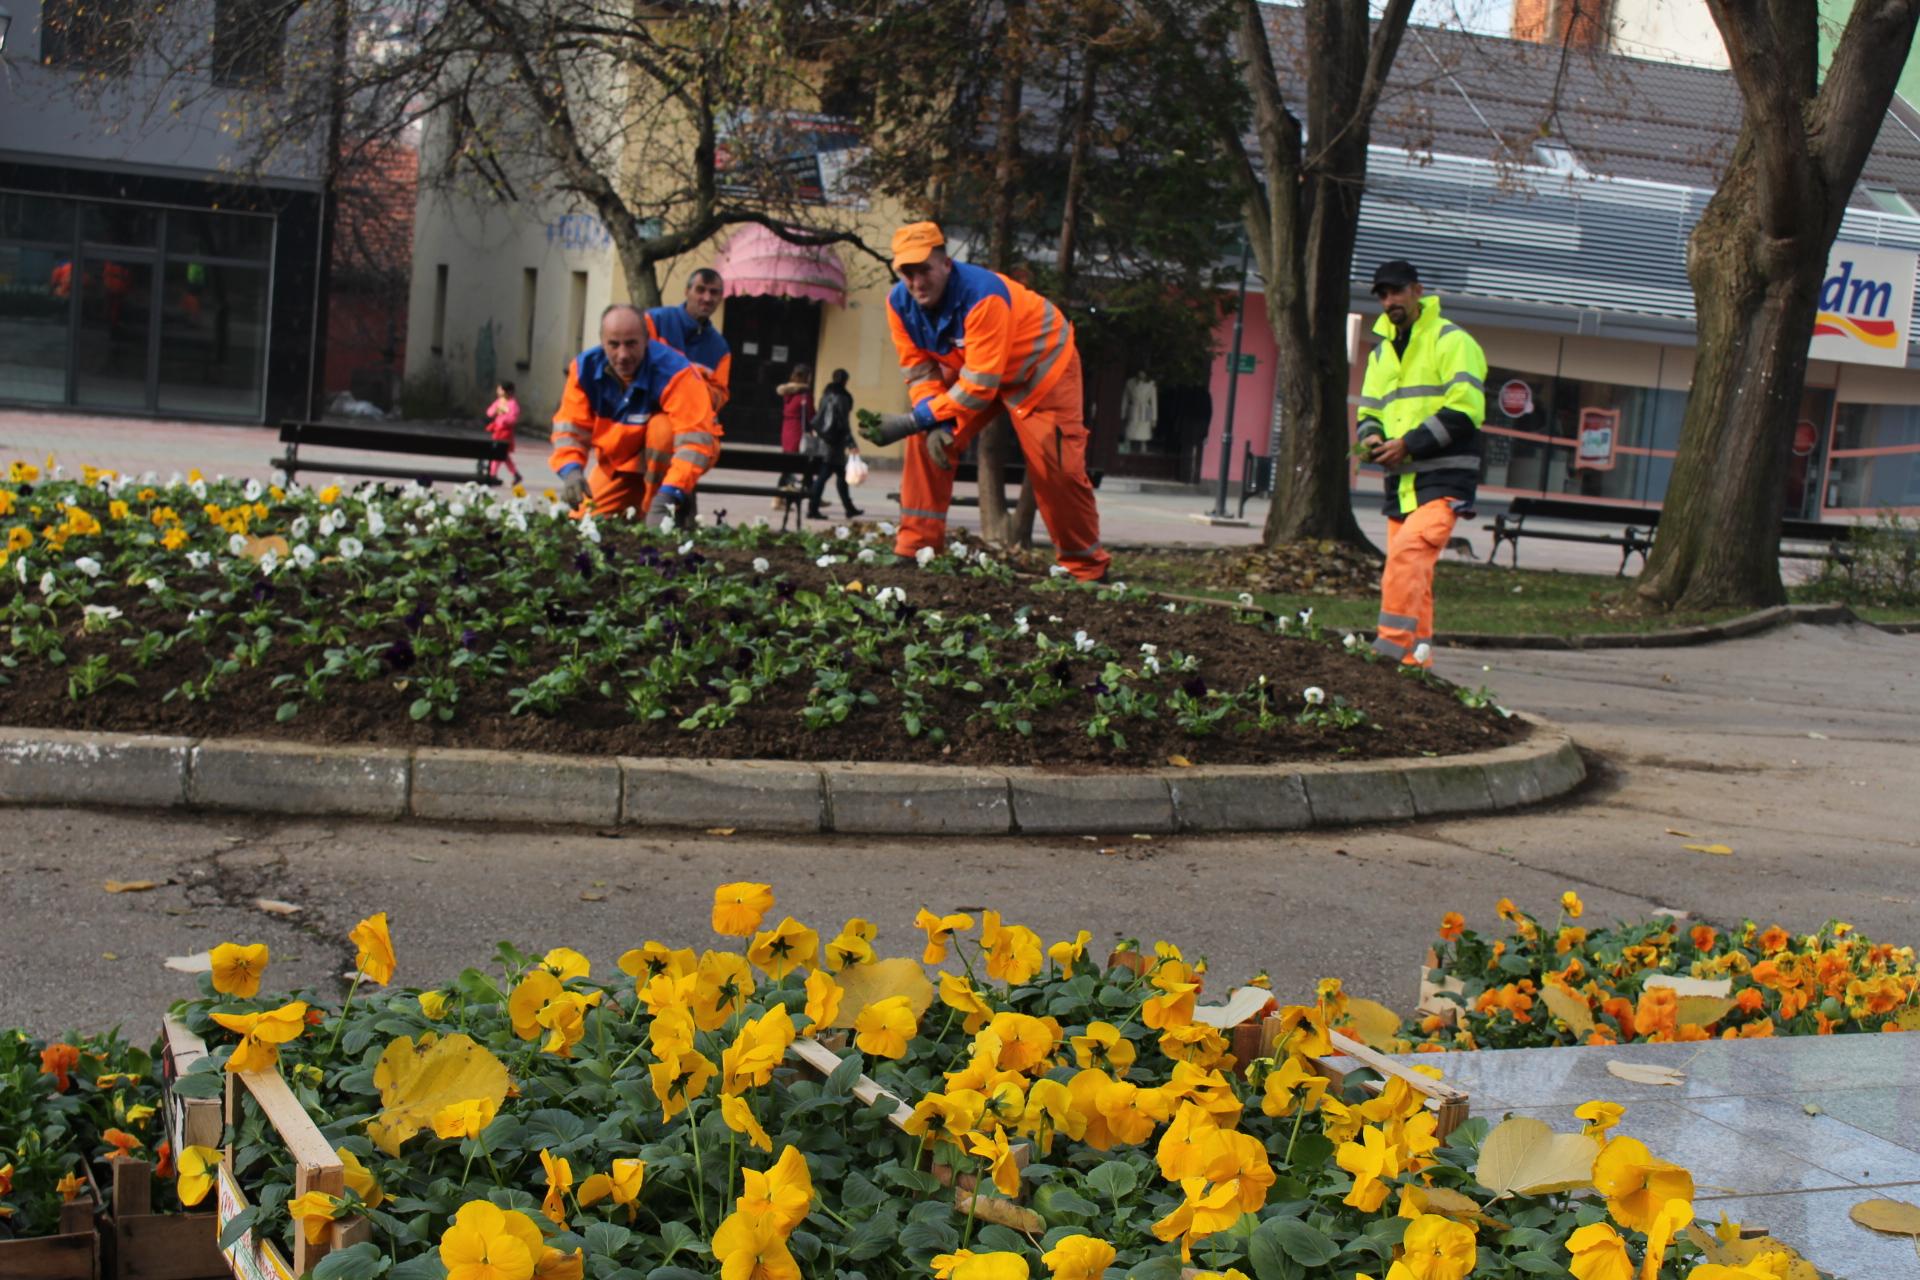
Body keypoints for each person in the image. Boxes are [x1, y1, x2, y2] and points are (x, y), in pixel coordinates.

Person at [863, 221, 1108, 581]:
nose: (916, 282)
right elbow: (919, 372)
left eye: (924, 270)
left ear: (946, 264)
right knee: (928, 441)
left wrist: (913, 420)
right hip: (975, 372)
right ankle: (916, 548)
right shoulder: (899, 304)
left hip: (1039, 371)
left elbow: (980, 386)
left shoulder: (983, 296)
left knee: (1055, 466)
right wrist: (936, 422)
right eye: (907, 272)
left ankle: (1086, 569)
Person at [1355, 259, 1487, 668]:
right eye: (1382, 294)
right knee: (1417, 576)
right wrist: (1371, 438)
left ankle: (1388, 651)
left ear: (1418, 290)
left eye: (1395, 291)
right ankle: (1416, 663)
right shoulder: (1380, 355)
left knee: (1408, 555)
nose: (1388, 300)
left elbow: (1466, 410)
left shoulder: (1452, 341)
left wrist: (1408, 445)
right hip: (1402, 484)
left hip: (1445, 479)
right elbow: (1369, 412)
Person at [550, 303, 722, 521]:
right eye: (614, 344)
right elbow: (570, 429)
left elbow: (694, 443)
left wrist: (669, 495)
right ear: (602, 341)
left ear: (647, 339)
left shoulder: (676, 372)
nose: (623, 354)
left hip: (671, 455)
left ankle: (661, 510)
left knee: (663, 431)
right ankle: (644, 509)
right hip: (622, 461)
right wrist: (571, 471)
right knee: (584, 520)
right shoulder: (584, 369)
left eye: (631, 344)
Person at [646, 268, 731, 409]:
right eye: (700, 290)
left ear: (720, 297)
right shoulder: (655, 321)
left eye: (714, 292)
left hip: (692, 418)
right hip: (650, 413)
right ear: (686, 292)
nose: (707, 298)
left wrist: (692, 389)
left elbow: (720, 396)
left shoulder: (720, 348)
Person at [806, 368, 862, 519]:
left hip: (825, 440)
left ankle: (849, 508)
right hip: (835, 442)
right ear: (845, 380)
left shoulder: (826, 394)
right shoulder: (842, 397)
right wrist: (851, 443)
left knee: (840, 476)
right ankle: (813, 508)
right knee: (824, 476)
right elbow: (843, 422)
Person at [485, 380, 524, 484]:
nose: (498, 391)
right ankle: (516, 474)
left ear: (507, 391)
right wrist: (497, 410)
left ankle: (492, 474)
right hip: (497, 432)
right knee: (503, 455)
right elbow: (489, 412)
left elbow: (513, 419)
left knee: (498, 454)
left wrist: (504, 418)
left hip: (505, 433)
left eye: (500, 389)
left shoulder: (513, 404)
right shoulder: (499, 401)